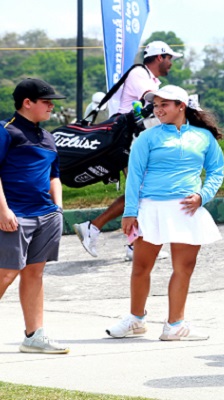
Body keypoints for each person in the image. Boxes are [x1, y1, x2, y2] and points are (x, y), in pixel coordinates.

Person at [105, 85, 224, 341]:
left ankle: (175, 325)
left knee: (184, 268)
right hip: (150, 209)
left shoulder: (204, 137)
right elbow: (134, 176)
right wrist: (129, 212)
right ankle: (136, 320)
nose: (158, 110)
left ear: (181, 106)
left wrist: (203, 195)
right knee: (141, 267)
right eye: (156, 105)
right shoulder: (147, 137)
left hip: (187, 210)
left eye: (164, 105)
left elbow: (216, 171)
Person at [73, 40, 183, 261]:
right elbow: (155, 102)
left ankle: (121, 240)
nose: (171, 63)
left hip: (136, 142)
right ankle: (107, 234)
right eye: (170, 58)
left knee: (141, 193)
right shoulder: (139, 75)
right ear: (160, 57)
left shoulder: (150, 78)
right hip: (129, 142)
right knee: (143, 192)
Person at [0, 78, 69, 354]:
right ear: (27, 103)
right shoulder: (6, 131)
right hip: (14, 215)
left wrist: (58, 209)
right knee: (6, 274)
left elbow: (54, 176)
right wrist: (3, 210)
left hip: (46, 216)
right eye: (46, 101)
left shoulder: (49, 137)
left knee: (35, 273)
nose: (52, 106)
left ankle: (34, 336)